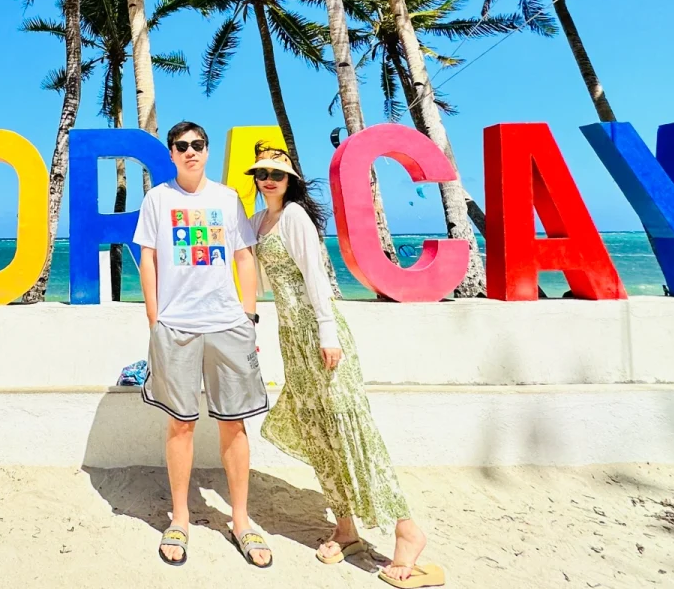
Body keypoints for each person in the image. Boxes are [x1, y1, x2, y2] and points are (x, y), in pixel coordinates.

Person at [248, 141, 444, 589]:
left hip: (321, 337)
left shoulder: (294, 218)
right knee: (320, 432)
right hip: (292, 339)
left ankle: (406, 530)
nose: (269, 180)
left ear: (291, 181)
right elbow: (250, 271)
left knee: (353, 430)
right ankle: (346, 528)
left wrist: (327, 334)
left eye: (277, 174)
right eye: (261, 174)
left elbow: (316, 277)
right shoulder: (260, 221)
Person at [135, 122, 272, 569]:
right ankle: (180, 518)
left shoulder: (227, 198)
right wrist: (155, 319)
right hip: (176, 327)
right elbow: (149, 258)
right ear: (172, 155)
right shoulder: (158, 199)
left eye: (197, 145)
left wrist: (248, 314)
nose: (190, 151)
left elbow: (243, 256)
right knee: (181, 424)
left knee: (234, 425)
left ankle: (241, 520)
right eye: (181, 146)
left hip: (227, 325)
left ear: (207, 151)